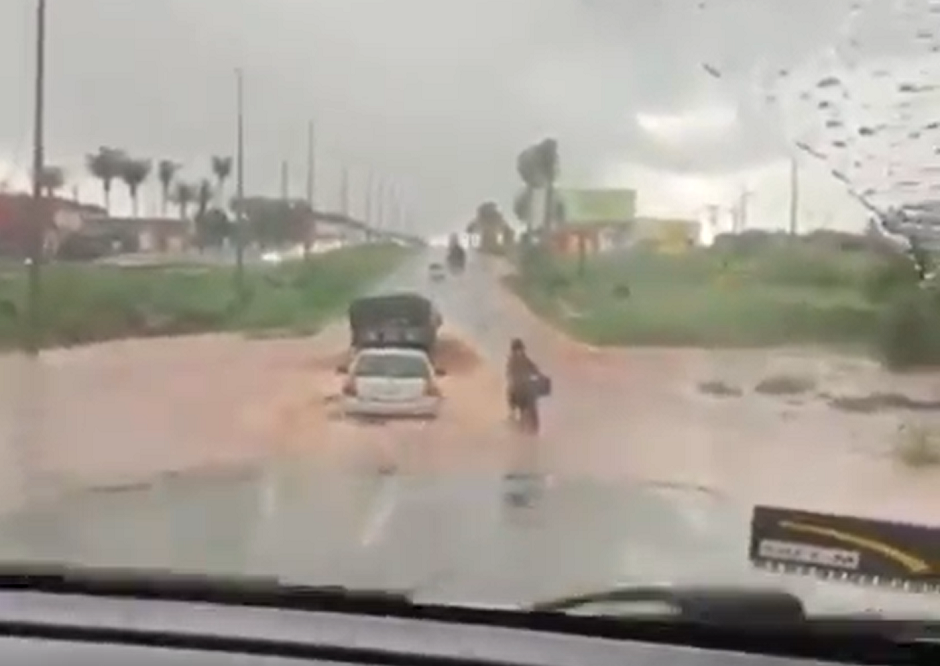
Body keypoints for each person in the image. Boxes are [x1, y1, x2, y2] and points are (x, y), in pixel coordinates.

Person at [505, 338, 542, 433]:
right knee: (530, 407)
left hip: (517, 391)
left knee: (516, 409)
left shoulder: (512, 361)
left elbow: (509, 375)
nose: (520, 352)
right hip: (521, 391)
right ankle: (529, 428)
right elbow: (535, 370)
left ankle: (517, 422)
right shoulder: (522, 360)